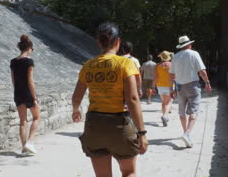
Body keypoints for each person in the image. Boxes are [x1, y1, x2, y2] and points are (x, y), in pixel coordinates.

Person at [72, 23, 148, 177]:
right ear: (118, 41)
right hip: (119, 124)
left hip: (94, 126)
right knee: (129, 172)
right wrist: (142, 133)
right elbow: (133, 99)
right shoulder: (126, 63)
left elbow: (76, 97)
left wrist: (76, 110)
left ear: (99, 43)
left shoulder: (88, 65)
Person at [168, 36, 211, 148]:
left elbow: (171, 74)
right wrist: (207, 82)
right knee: (194, 110)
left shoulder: (175, 57)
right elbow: (201, 71)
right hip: (192, 85)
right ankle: (187, 134)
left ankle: (185, 133)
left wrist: (171, 89)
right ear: (189, 45)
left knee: (182, 110)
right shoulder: (194, 54)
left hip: (179, 86)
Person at [10, 35, 40, 155]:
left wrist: (17, 91)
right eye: (32, 49)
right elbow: (30, 82)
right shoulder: (29, 62)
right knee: (36, 117)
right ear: (29, 48)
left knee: (23, 121)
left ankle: (24, 148)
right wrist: (35, 98)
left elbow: (13, 80)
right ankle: (30, 142)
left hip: (18, 92)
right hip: (28, 93)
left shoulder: (13, 62)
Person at [152, 51, 174, 127]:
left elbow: (155, 77)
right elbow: (175, 76)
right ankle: (165, 116)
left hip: (160, 86)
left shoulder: (157, 65)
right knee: (170, 101)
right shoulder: (172, 65)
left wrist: (153, 87)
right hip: (170, 85)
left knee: (164, 102)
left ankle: (165, 116)